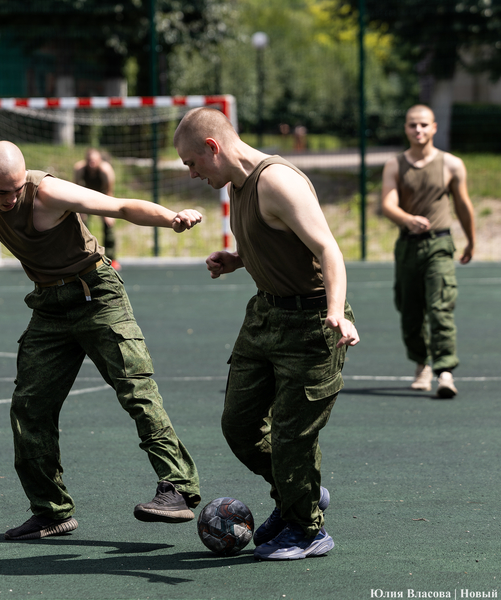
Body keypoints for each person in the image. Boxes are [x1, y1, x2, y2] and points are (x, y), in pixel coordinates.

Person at [0, 141, 202, 540]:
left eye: (18, 188)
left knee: (136, 390)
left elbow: (120, 206)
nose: (12, 198)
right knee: (29, 408)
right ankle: (51, 511)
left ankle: (178, 488)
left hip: (97, 294)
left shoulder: (48, 192)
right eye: (2, 191)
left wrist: (171, 218)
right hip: (48, 306)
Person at [173, 107, 359, 561]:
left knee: (292, 437)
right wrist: (239, 259)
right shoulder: (235, 184)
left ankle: (307, 530)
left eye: (192, 163)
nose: (192, 173)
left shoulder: (277, 182)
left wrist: (336, 311)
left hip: (312, 322)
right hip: (265, 316)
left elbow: (328, 249)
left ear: (213, 147)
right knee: (238, 425)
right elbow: (277, 238)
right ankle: (299, 493)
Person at [380, 104, 476, 399]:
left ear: (434, 127)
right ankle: (421, 364)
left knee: (440, 307)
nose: (418, 130)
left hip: (439, 245)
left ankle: (445, 372)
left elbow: (463, 205)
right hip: (408, 247)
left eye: (423, 124)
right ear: (406, 129)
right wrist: (407, 219)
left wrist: (471, 241)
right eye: (412, 125)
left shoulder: (452, 164)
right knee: (410, 312)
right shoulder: (394, 164)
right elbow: (388, 204)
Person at [73, 148, 120, 270]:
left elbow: (109, 191)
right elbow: (75, 190)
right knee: (80, 224)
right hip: (86, 195)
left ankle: (111, 258)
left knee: (108, 224)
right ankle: (84, 257)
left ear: (99, 160)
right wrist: (79, 210)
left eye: (94, 161)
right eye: (89, 161)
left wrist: (108, 213)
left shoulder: (106, 170)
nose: (91, 164)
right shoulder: (79, 169)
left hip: (102, 195)